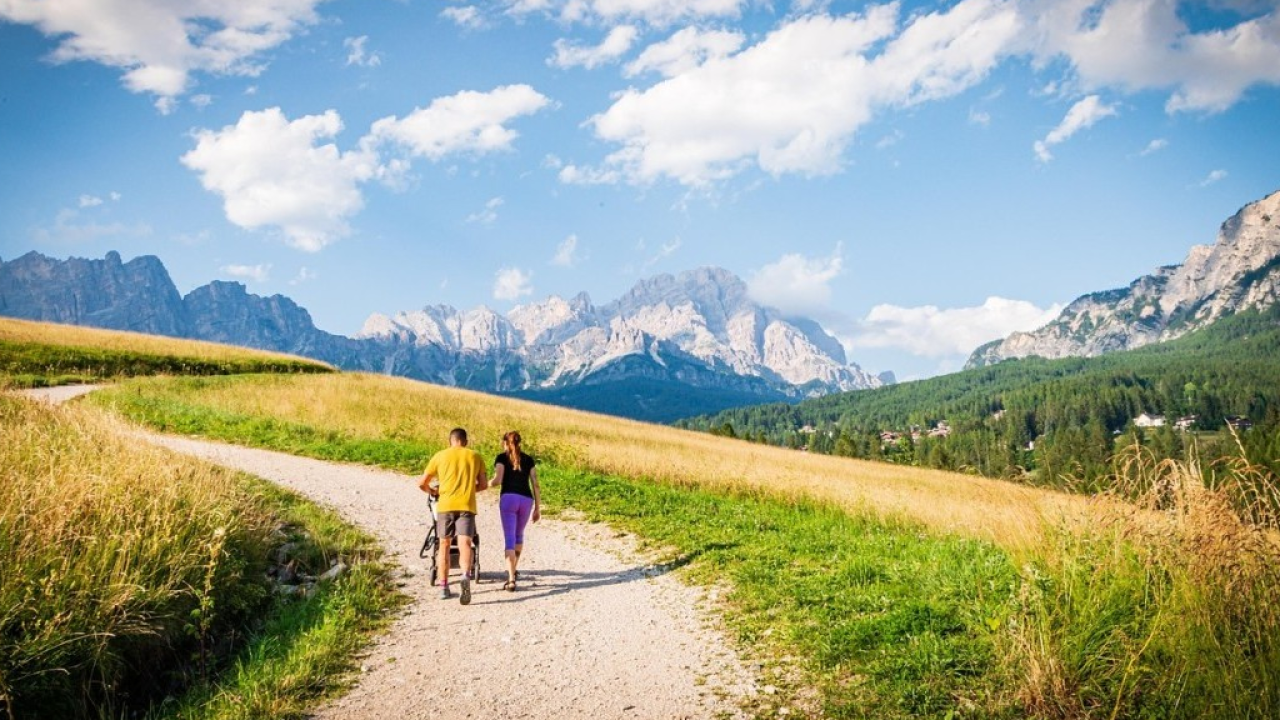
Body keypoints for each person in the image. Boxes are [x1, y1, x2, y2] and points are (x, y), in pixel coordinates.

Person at [420, 427, 487, 604]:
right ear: (465, 441)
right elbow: (484, 485)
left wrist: (434, 491)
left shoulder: (440, 456)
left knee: (444, 544)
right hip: (467, 505)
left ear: (450, 441)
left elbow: (421, 483)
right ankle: (466, 575)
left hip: (445, 506)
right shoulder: (475, 456)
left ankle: (444, 586)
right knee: (465, 542)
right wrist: (468, 490)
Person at [490, 430, 541, 591]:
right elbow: (535, 483)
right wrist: (538, 508)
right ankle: (513, 568)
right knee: (519, 536)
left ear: (505, 443)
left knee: (509, 539)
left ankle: (511, 579)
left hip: (509, 499)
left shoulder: (501, 458)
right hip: (526, 499)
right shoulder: (529, 459)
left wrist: (483, 485)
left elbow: (498, 480)